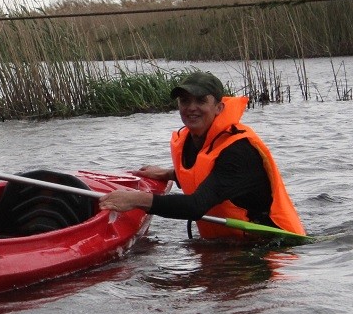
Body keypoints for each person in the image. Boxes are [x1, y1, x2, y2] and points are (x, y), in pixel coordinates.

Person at [99, 71, 305, 239]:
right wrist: (170, 174)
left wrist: (136, 199)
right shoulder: (193, 140)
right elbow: (208, 177)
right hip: (228, 245)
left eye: (200, 101)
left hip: (270, 247)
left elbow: (196, 205)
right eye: (184, 101)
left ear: (219, 107)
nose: (191, 108)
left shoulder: (238, 151)